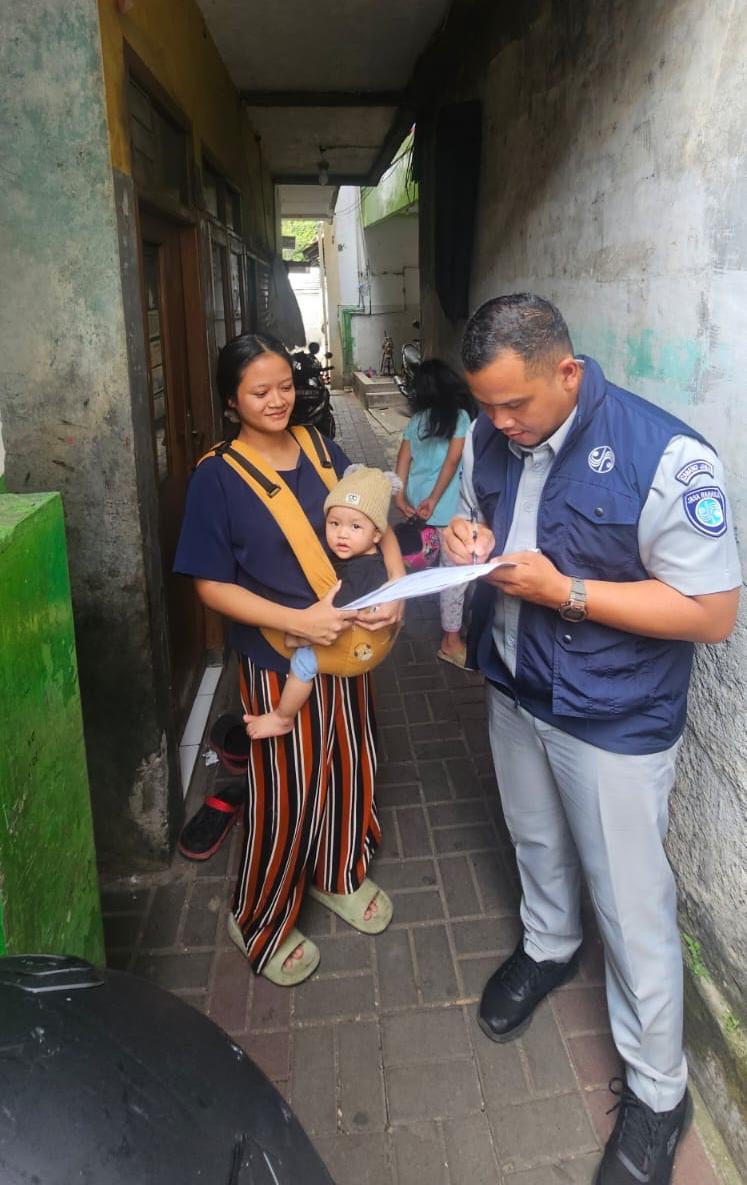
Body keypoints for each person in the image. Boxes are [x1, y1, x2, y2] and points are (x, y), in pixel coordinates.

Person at [443, 294, 740, 1185]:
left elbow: (711, 611)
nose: (498, 423)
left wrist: (566, 592)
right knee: (532, 838)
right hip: (516, 685)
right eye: (485, 406)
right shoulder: (491, 435)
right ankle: (545, 944)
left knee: (631, 903)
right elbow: (473, 524)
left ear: (566, 371)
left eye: (514, 404)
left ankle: (658, 1094)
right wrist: (466, 536)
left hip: (611, 717)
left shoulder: (665, 455)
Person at [174, 333, 404, 987]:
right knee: (286, 788)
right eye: (258, 390)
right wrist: (297, 620)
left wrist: (392, 591)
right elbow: (209, 584)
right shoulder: (216, 477)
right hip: (278, 658)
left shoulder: (318, 446)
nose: (277, 400)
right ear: (231, 399)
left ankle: (337, 870)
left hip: (348, 648)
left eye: (283, 385)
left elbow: (376, 520)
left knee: (350, 759)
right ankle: (259, 915)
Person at [244, 464, 397, 740]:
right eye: (334, 523)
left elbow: (337, 613)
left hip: (349, 639)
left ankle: (282, 717)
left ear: (377, 535)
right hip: (349, 630)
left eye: (355, 526)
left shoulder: (366, 570)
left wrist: (298, 636)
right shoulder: (356, 552)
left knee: (303, 663)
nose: (342, 534)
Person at [394, 358, 475, 666]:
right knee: (453, 576)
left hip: (418, 506)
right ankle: (450, 642)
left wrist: (399, 498)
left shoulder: (416, 422)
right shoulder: (461, 417)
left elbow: (402, 463)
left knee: (425, 560)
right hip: (444, 507)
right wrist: (434, 498)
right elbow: (453, 462)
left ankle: (398, 616)